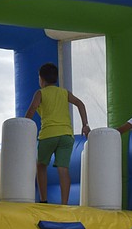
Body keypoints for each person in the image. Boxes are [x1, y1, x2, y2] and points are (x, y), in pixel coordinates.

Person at [23, 62, 90, 205]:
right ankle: (64, 204)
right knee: (63, 169)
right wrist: (85, 124)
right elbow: (80, 103)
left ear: (41, 79)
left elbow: (32, 109)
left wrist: (23, 125)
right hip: (66, 135)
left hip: (48, 135)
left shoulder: (40, 93)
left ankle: (43, 200)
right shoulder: (64, 92)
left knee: (41, 166)